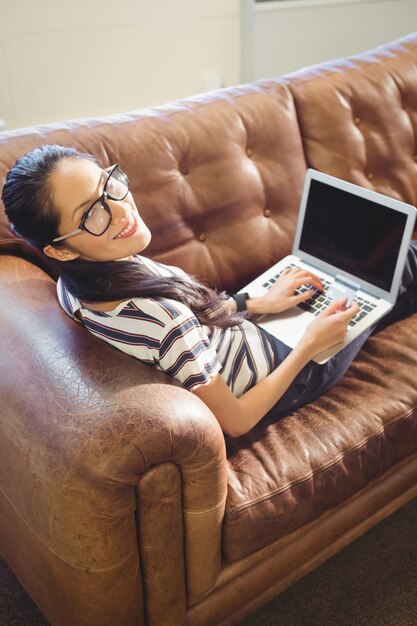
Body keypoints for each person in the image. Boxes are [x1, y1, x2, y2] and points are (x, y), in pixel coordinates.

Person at [3, 144, 417, 437]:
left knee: (378, 282)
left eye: (108, 185)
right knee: (396, 271)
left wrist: (254, 302)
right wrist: (309, 346)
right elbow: (235, 421)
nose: (121, 210)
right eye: (93, 213)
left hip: (245, 334)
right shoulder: (162, 320)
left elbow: (193, 330)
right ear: (59, 247)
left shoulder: (77, 285)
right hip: (286, 372)